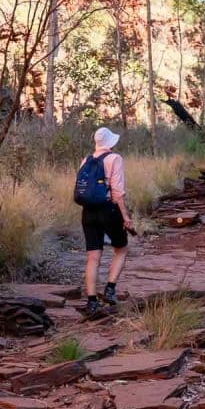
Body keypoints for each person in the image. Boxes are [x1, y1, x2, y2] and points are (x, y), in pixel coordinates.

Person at [74, 126, 134, 318]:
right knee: (121, 249)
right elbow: (117, 192)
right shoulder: (114, 159)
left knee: (93, 257)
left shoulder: (86, 160)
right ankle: (109, 289)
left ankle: (92, 302)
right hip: (109, 210)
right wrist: (126, 217)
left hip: (88, 212)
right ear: (110, 143)